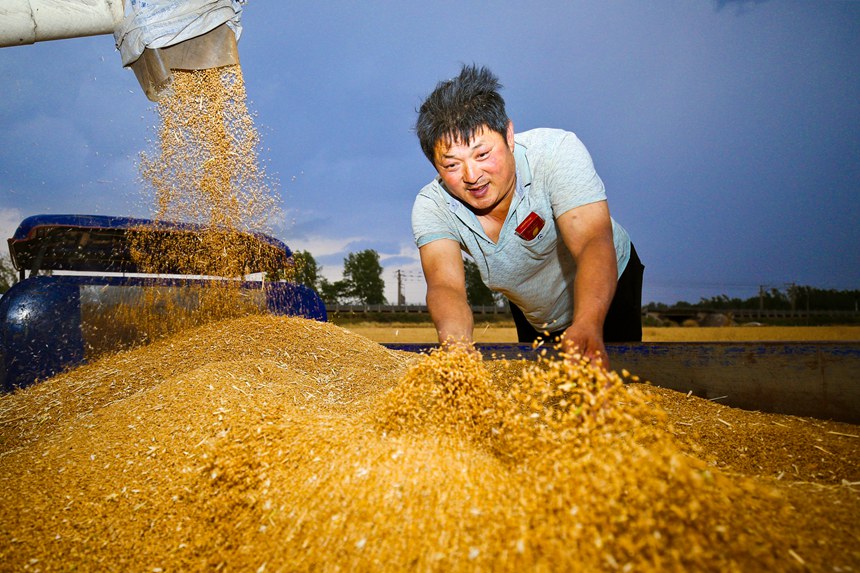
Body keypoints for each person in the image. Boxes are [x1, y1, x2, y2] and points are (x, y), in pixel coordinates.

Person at [411, 64, 644, 365]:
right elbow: (446, 285)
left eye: (483, 155)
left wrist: (587, 321)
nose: (472, 175)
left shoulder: (555, 153)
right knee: (543, 400)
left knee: (610, 388)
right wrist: (457, 349)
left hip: (607, 285)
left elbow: (592, 241)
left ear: (508, 135)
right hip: (533, 307)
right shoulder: (432, 205)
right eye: (452, 165)